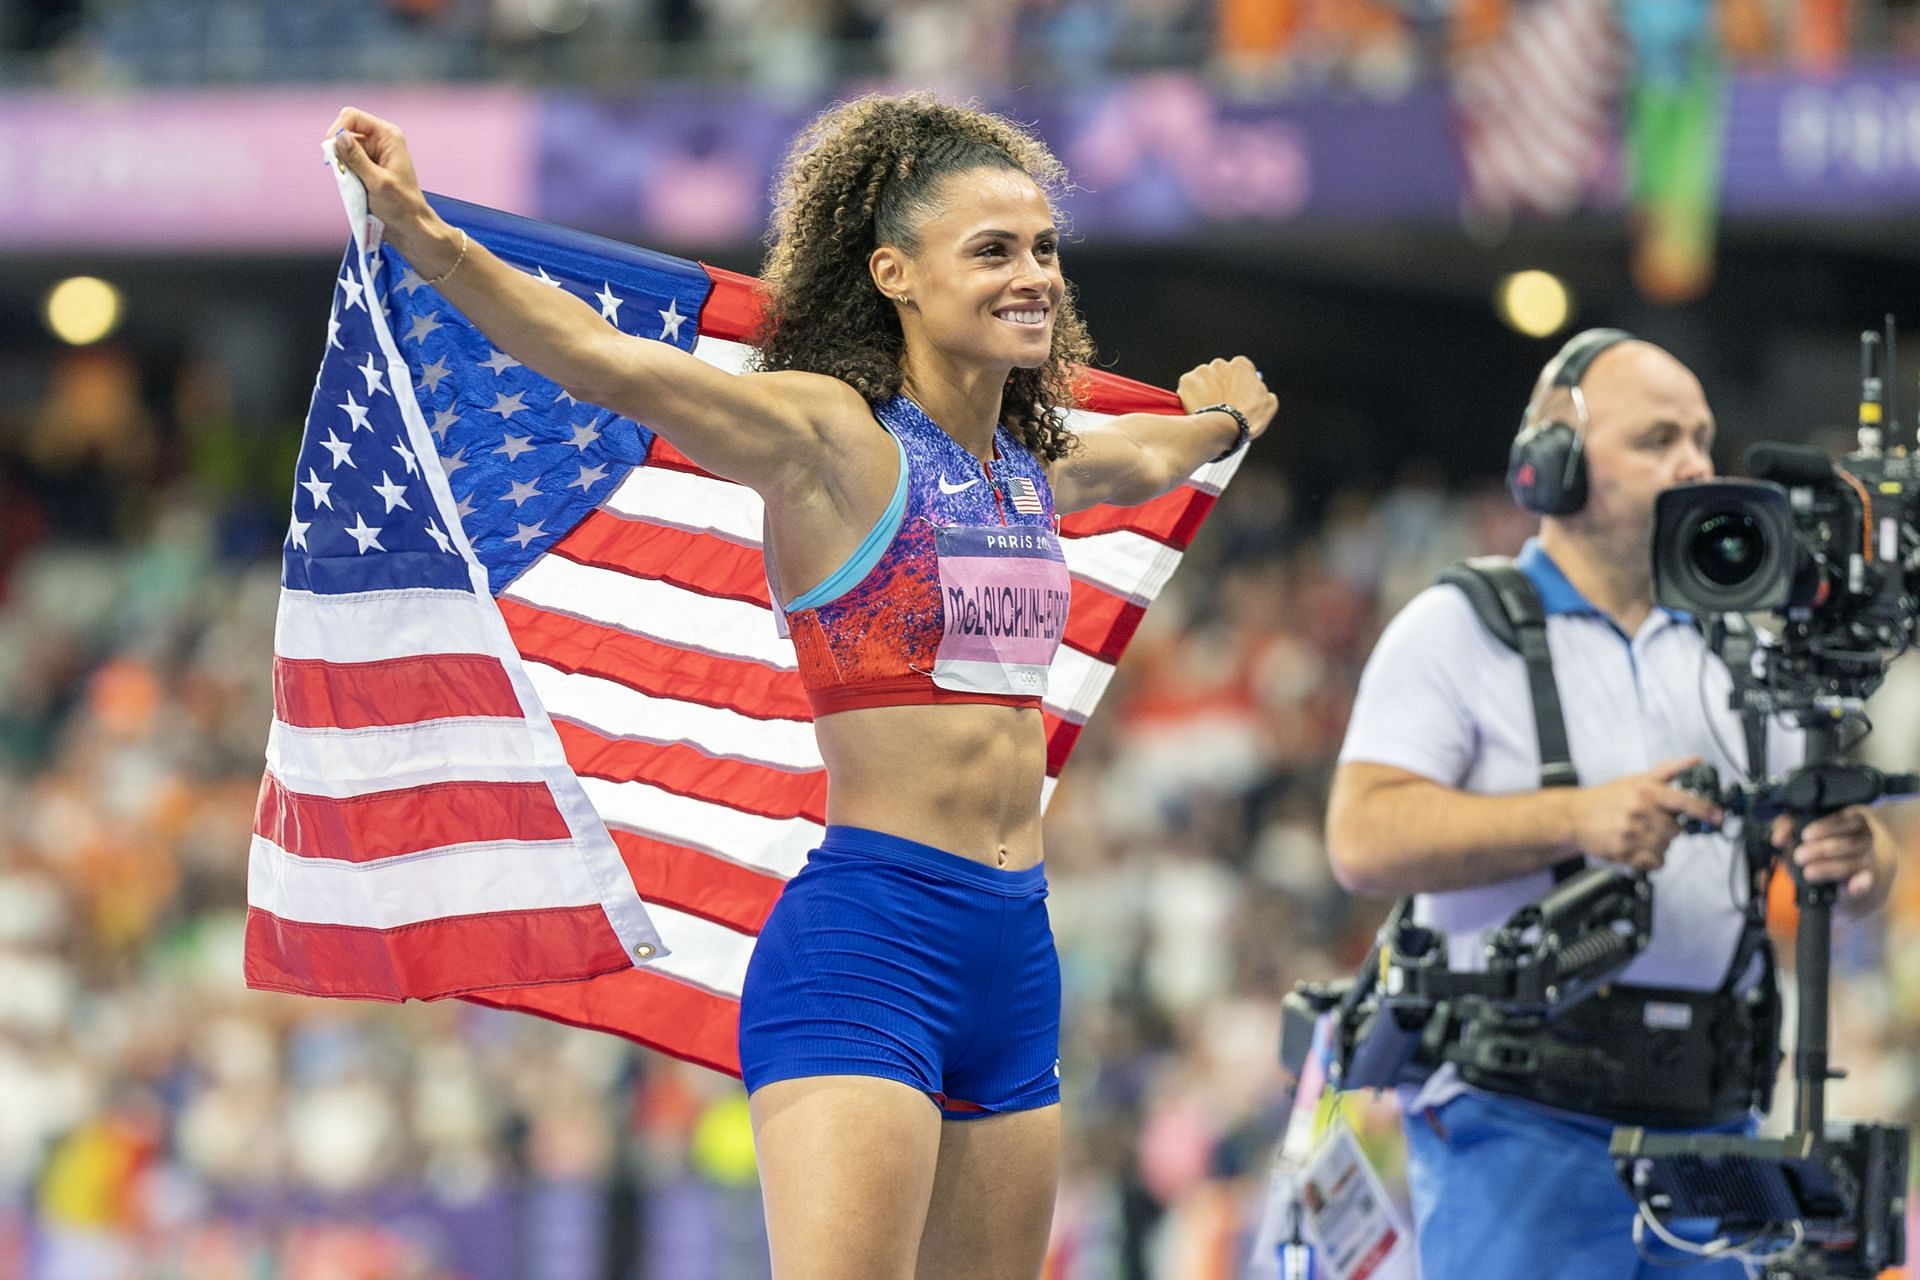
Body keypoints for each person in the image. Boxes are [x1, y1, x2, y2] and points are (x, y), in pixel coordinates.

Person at [326, 95, 1277, 1280]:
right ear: (895, 274)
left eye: (1042, 248)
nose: (1033, 274)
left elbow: (1140, 456)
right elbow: (609, 362)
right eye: (992, 250)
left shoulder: (1025, 470)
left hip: (1017, 954)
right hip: (871, 948)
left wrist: (1222, 420)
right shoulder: (831, 440)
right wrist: (425, 232)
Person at [1325, 330, 1898, 1279]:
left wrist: (1864, 854)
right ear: (1550, 459)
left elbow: (1845, 846)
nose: (1693, 464)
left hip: (1715, 1126)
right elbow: (1361, 837)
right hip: (1519, 1125)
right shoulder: (1460, 627)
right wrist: (1575, 818)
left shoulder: (1743, 649)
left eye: (1702, 439)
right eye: (1658, 438)